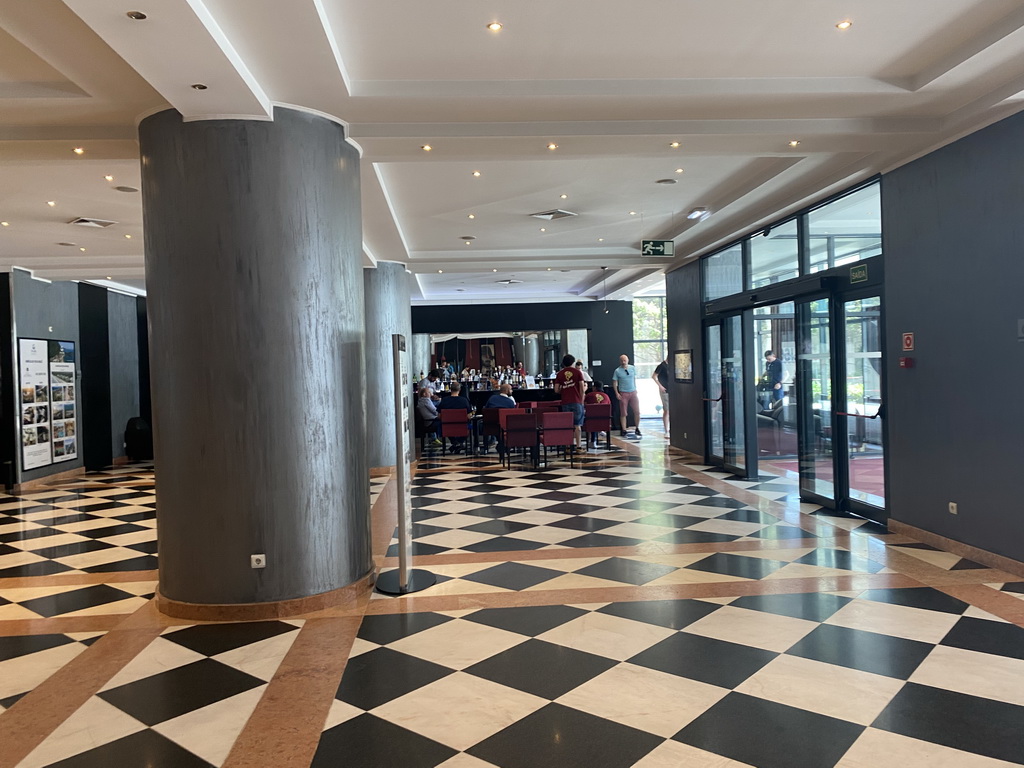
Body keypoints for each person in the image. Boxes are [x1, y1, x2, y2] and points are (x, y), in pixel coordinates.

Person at [553, 353, 585, 451]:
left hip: (565, 401)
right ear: (573, 362)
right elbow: (581, 388)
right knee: (577, 425)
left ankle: (568, 446)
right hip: (576, 401)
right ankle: (579, 446)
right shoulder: (578, 372)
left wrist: (564, 388)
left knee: (567, 425)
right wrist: (581, 400)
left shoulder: (560, 374)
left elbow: (556, 390)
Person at [611, 354, 641, 439]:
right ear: (620, 361)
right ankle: (624, 430)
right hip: (623, 393)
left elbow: (634, 379)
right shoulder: (617, 371)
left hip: (633, 391)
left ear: (628, 360)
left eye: (625, 360)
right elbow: (614, 382)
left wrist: (636, 388)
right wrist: (617, 393)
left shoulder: (632, 368)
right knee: (623, 412)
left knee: (637, 411)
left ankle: (637, 428)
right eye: (622, 360)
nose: (623, 362)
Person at [437, 382, 472, 453]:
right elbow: (469, 416)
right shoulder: (464, 401)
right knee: (471, 426)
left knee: (444, 425)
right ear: (459, 390)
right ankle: (459, 442)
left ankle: (455, 443)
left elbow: (439, 416)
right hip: (462, 427)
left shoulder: (444, 400)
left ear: (450, 389)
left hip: (447, 427)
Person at [483, 382, 517, 455]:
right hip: (505, 427)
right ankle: (503, 444)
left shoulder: (492, 398)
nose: (512, 391)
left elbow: (486, 410)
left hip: (490, 426)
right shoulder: (510, 402)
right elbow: (513, 415)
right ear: (507, 390)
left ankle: (488, 447)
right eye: (511, 389)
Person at [584, 380, 611, 448]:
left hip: (592, 420)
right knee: (596, 417)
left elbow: (584, 405)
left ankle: (592, 440)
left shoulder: (589, 395)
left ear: (594, 387)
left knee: (591, 417)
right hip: (605, 420)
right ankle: (600, 430)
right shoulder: (606, 396)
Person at [653, 358, 670, 437]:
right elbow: (654, 376)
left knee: (671, 410)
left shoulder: (671, 366)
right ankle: (666, 430)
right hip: (665, 390)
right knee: (666, 410)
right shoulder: (662, 366)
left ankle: (670, 428)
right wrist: (660, 386)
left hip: (672, 390)